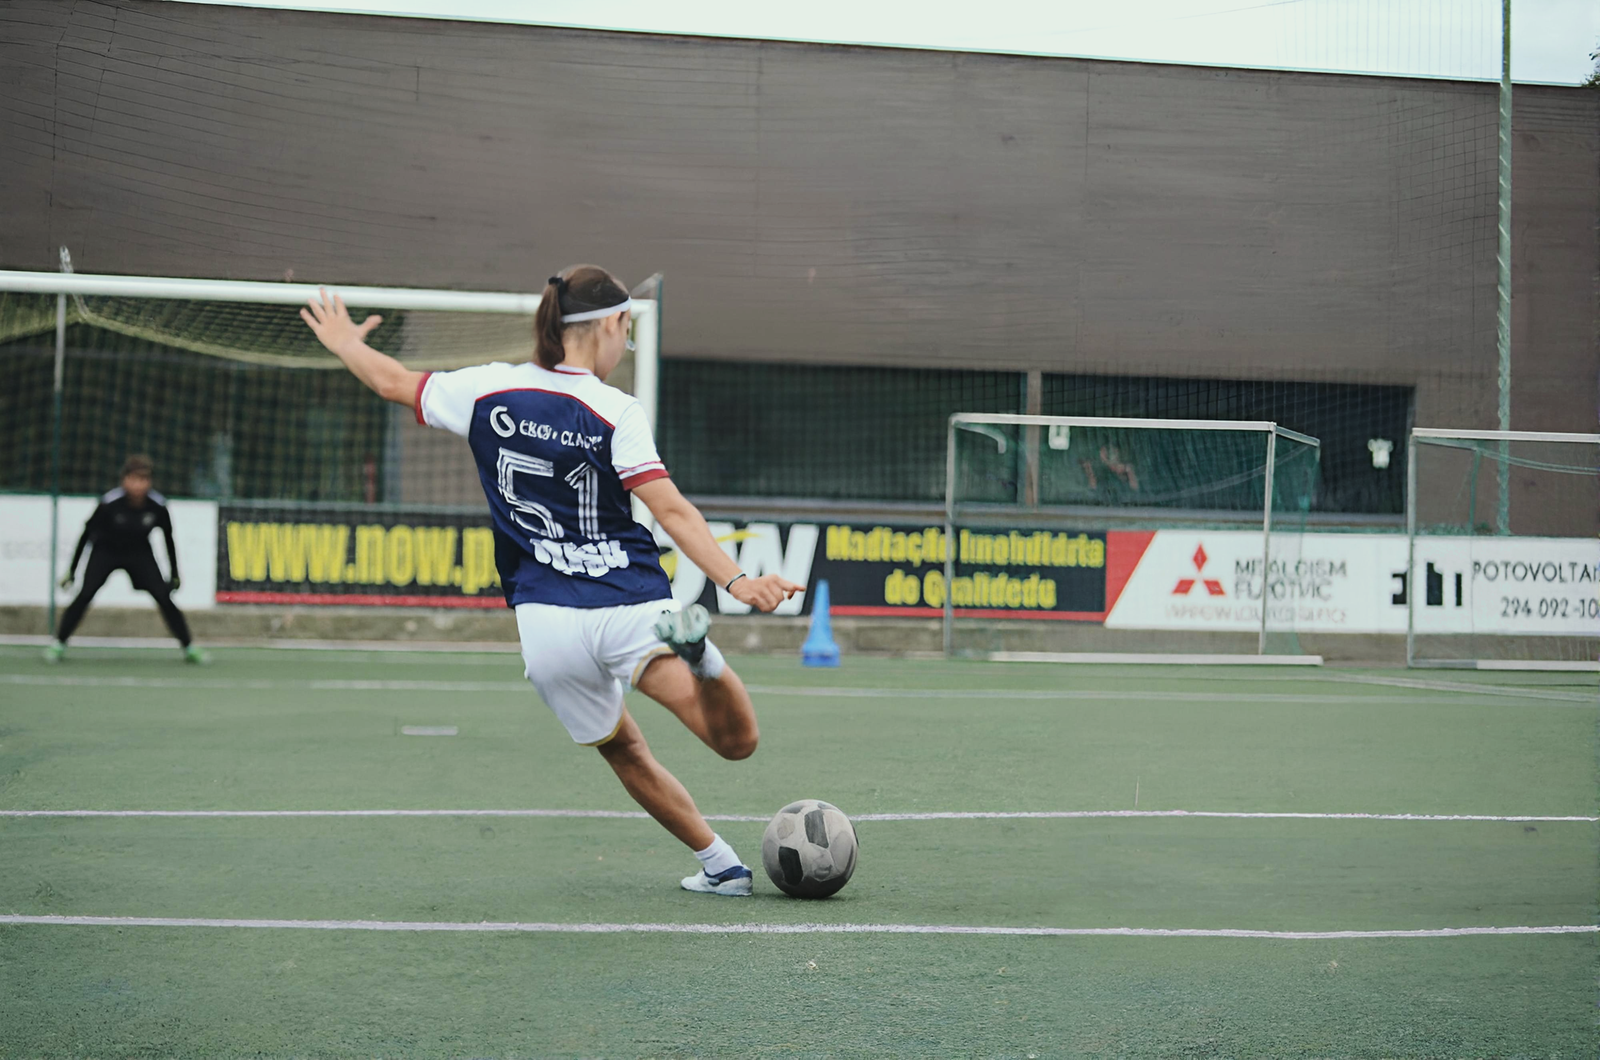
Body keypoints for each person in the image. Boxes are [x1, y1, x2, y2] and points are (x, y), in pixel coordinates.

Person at [301, 268, 803, 896]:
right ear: (604, 327)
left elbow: (391, 381)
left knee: (624, 750)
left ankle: (721, 866)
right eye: (626, 328)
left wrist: (347, 341)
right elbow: (671, 510)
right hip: (631, 606)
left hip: (546, 626)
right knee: (736, 743)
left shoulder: (487, 389)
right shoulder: (614, 409)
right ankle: (699, 656)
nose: (627, 343)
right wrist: (735, 582)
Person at [46, 455, 205, 664]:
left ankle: (189, 647)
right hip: (105, 551)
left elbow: (168, 539)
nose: (139, 485)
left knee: (163, 596)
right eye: (134, 479)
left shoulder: (157, 506)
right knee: (85, 594)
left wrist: (174, 573)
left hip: (139, 553)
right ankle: (59, 643)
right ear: (124, 480)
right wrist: (73, 570)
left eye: (144, 480)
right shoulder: (109, 503)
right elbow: (86, 535)